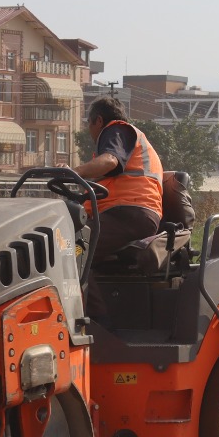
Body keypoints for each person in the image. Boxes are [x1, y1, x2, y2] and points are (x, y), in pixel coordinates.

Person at [73, 96, 163, 295]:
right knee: (77, 250)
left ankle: (88, 314)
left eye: (89, 123)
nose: (89, 130)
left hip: (129, 213)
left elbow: (110, 161)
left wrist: (74, 172)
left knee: (71, 252)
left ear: (98, 120)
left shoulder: (116, 130)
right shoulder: (124, 143)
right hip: (126, 214)